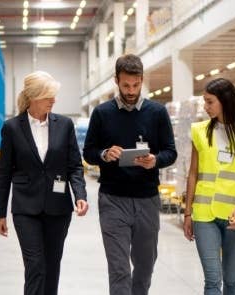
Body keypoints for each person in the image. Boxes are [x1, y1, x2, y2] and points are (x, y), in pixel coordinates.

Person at [83, 54, 177, 295]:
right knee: (119, 268)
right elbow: (89, 153)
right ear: (116, 81)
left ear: (142, 80)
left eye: (136, 85)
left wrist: (154, 160)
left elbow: (170, 152)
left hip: (147, 200)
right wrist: (105, 154)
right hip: (113, 200)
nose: (131, 90)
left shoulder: (157, 112)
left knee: (145, 266)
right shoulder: (102, 113)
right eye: (126, 85)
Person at [0, 70, 89, 295]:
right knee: (35, 265)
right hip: (25, 208)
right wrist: (0, 214)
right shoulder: (12, 128)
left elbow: (74, 165)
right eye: (48, 96)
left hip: (58, 208)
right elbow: (4, 172)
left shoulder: (64, 125)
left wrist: (80, 195)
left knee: (52, 266)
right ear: (34, 97)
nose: (54, 100)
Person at [183, 78, 235, 295]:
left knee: (231, 279)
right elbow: (193, 174)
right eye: (204, 102)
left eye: (210, 102)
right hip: (203, 214)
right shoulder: (199, 131)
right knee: (212, 280)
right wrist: (187, 213)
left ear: (225, 101)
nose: (205, 107)